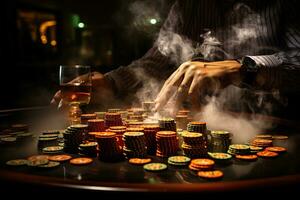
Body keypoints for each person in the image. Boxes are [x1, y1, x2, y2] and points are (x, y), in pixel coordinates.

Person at [51, 0, 300, 118]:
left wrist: (243, 69)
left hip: (277, 125)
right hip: (204, 123)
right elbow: (154, 63)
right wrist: (110, 82)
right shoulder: (187, 6)